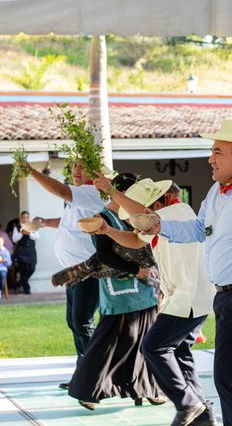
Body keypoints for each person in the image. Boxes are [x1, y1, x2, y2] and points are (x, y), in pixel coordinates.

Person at [111, 120, 232, 426]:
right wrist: (158, 226)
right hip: (225, 294)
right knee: (226, 376)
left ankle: (195, 409)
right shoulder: (219, 191)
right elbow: (199, 229)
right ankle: (199, 412)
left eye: (217, 151)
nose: (210, 158)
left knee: (228, 376)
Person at [95, 177, 219, 425]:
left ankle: (188, 404)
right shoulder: (158, 222)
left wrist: (111, 191)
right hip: (189, 297)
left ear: (156, 203)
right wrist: (108, 231)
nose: (133, 222)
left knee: (154, 347)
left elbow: (143, 217)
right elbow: (134, 240)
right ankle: (203, 414)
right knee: (180, 352)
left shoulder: (177, 211)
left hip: (189, 297)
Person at [68, 173, 164, 411]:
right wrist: (135, 270)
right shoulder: (103, 218)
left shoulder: (132, 217)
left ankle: (147, 388)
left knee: (143, 340)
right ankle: (88, 390)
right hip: (118, 291)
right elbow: (105, 256)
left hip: (143, 290)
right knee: (108, 342)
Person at [27, 160, 104, 389]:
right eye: (74, 167)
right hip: (73, 272)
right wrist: (46, 223)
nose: (76, 171)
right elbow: (71, 222)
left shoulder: (90, 191)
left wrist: (31, 171)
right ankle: (83, 374)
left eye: (82, 166)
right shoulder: (80, 196)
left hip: (89, 270)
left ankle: (93, 376)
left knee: (82, 322)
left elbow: (59, 189)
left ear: (94, 171)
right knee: (74, 321)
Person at [12, 211, 39, 294]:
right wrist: (22, 232)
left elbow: (37, 237)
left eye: (27, 217)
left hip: (30, 251)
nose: (25, 219)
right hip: (21, 251)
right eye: (23, 217)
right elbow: (14, 239)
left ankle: (17, 284)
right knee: (22, 271)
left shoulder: (33, 225)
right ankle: (27, 289)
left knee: (32, 269)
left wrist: (29, 233)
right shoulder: (17, 227)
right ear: (21, 218)